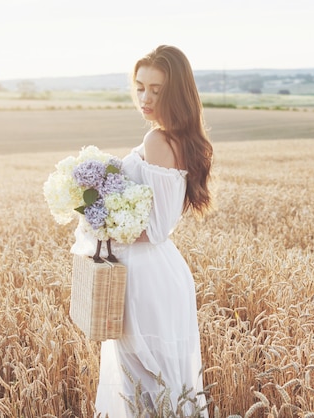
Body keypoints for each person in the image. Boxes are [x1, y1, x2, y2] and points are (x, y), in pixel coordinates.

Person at [76, 45, 213, 416]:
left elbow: (156, 228)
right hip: (158, 273)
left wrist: (99, 221)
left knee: (145, 383)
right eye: (140, 87)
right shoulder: (175, 138)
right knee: (163, 383)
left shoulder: (159, 140)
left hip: (144, 277)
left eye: (157, 89)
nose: (145, 97)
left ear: (176, 92)